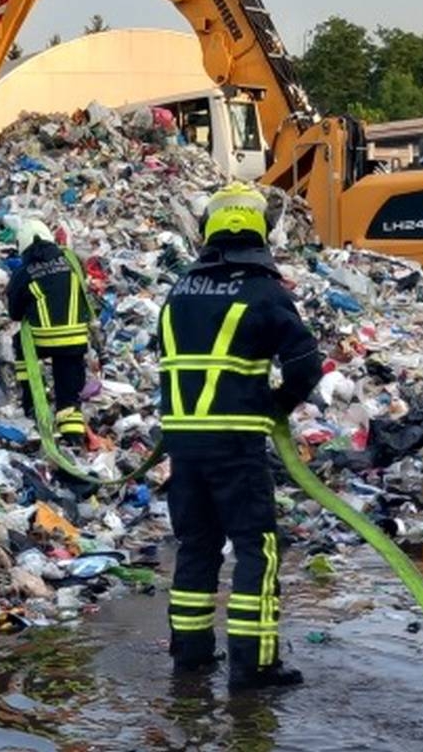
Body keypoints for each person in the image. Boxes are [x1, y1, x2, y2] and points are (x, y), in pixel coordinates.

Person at [156, 182, 322, 691]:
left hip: (182, 449)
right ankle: (253, 668)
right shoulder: (263, 291)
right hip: (235, 446)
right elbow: (306, 365)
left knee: (197, 546)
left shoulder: (179, 291)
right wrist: (276, 405)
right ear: (258, 231)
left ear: (208, 229)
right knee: (256, 549)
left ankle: (192, 657)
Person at [6, 218, 95, 445]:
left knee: (20, 345)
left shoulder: (23, 272)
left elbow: (14, 313)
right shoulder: (72, 261)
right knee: (69, 392)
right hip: (75, 338)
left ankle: (33, 406)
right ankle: (72, 435)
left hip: (41, 340)